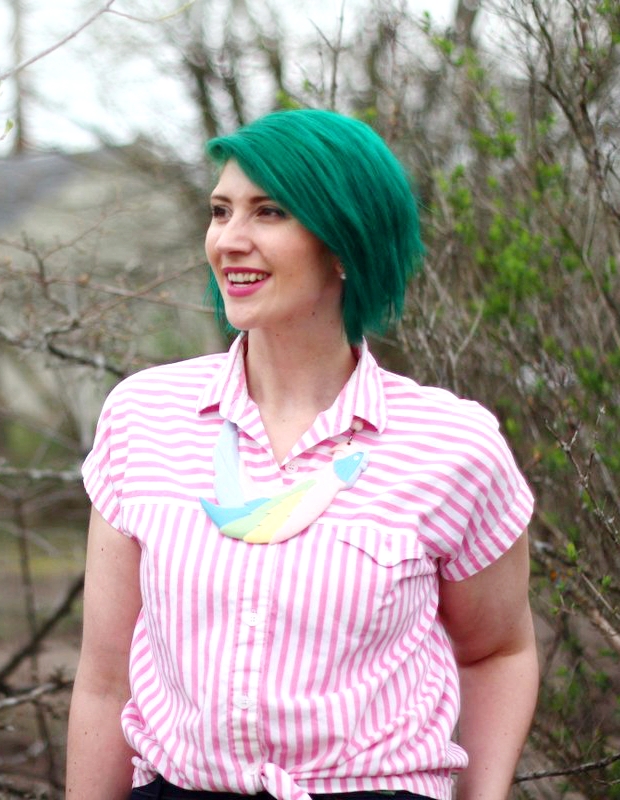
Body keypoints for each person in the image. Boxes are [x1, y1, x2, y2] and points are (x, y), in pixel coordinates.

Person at [66, 109, 537, 800]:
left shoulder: (452, 446)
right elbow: (106, 682)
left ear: (345, 242)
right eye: (220, 210)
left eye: (269, 212)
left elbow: (498, 651)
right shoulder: (144, 417)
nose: (230, 239)